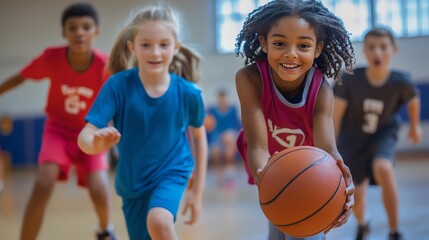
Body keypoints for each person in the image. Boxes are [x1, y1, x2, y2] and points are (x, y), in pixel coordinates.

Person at [77, 5, 208, 240]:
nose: (155, 52)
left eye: (164, 44)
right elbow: (86, 137)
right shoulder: (117, 86)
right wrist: (94, 144)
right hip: (132, 183)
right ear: (132, 47)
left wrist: (197, 194)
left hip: (173, 171)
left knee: (158, 222)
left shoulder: (189, 93)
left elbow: (199, 138)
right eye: (146, 44)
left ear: (176, 47)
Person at [234, 0, 356, 239]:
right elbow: (258, 145)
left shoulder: (321, 89)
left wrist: (342, 183)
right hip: (266, 163)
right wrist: (269, 180)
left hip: (310, 170)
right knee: (279, 225)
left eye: (303, 45)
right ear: (264, 43)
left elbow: (328, 148)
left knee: (303, 228)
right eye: (280, 43)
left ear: (317, 49)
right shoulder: (250, 79)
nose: (291, 53)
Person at [0, 3, 116, 239]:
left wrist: (113, 126)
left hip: (91, 131)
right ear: (64, 33)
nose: (79, 32)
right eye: (72, 28)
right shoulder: (52, 58)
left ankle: (105, 230)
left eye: (86, 27)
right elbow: (21, 77)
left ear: (96, 32)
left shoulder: (105, 66)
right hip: (58, 131)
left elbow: (119, 99)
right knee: (43, 183)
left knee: (99, 188)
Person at [333, 27, 421, 240]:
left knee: (383, 167)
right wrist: (331, 146)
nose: (377, 53)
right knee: (357, 193)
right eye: (372, 47)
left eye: (383, 47)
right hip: (352, 139)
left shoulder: (401, 81)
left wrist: (414, 125)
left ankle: (394, 230)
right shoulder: (350, 79)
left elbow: (413, 100)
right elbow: (336, 115)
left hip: (383, 134)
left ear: (394, 50)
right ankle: (364, 223)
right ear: (365, 51)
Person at [206, 89, 241, 189]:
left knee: (229, 147)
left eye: (224, 98)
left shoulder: (233, 109)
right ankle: (220, 178)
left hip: (230, 134)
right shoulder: (212, 110)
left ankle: (230, 176)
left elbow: (236, 126)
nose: (222, 100)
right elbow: (210, 127)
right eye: (220, 98)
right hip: (217, 136)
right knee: (215, 152)